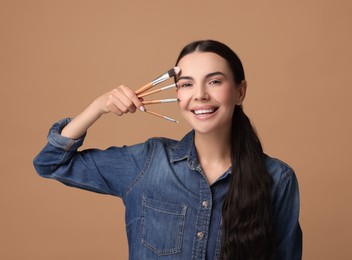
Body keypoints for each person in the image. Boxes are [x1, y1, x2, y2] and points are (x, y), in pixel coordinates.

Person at [33, 39, 302, 260]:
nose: (200, 95)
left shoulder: (278, 179)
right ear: (177, 94)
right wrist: (97, 107)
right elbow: (51, 163)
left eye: (215, 81)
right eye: (186, 84)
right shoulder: (147, 163)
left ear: (240, 92)